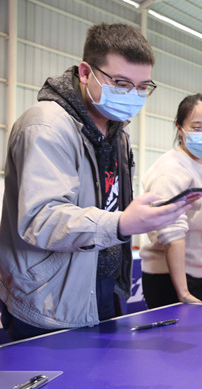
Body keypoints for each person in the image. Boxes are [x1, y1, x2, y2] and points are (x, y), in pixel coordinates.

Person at [0, 23, 190, 341]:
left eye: (143, 87)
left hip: (102, 286)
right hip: (49, 297)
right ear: (86, 73)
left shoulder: (118, 133)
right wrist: (121, 224)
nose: (133, 95)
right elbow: (40, 219)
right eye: (121, 83)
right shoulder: (47, 126)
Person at [139, 94, 202, 309]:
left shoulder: (201, 165)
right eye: (197, 127)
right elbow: (172, 234)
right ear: (179, 128)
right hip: (173, 277)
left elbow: (195, 214)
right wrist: (183, 292)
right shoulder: (171, 168)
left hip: (197, 272)